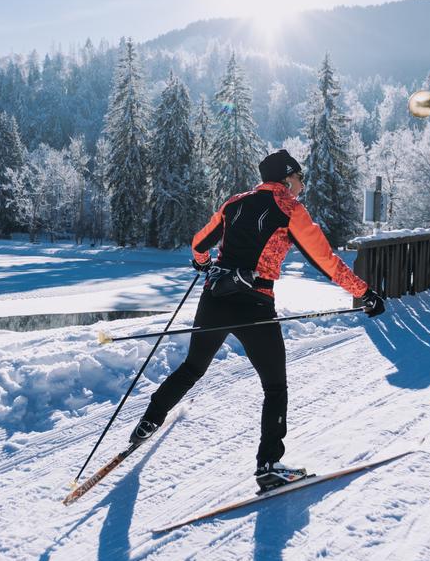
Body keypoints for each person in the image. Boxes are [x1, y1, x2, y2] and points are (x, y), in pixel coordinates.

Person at [130, 149, 385, 491]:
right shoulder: (291, 209)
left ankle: (149, 421)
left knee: (192, 367)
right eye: (300, 178)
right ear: (287, 179)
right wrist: (364, 293)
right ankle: (269, 465)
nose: (302, 185)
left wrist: (203, 263)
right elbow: (326, 261)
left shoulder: (234, 203)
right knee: (275, 387)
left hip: (215, 297)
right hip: (254, 304)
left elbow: (199, 243)